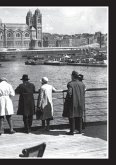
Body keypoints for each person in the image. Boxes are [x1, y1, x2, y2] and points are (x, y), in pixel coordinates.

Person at [62, 71, 85, 135]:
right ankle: (80, 130)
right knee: (80, 116)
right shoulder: (82, 84)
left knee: (71, 116)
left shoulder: (70, 84)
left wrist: (67, 101)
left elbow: (69, 93)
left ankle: (72, 131)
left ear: (72, 76)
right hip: (80, 102)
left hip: (72, 102)